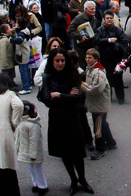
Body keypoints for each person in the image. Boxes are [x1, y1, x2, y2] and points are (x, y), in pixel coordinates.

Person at [38, 48, 94, 195]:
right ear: (52, 61)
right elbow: (48, 100)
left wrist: (59, 95)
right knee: (65, 153)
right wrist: (66, 96)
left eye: (62, 60)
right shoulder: (47, 77)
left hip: (72, 118)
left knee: (77, 152)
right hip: (57, 119)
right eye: (57, 61)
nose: (60, 63)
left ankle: (82, 179)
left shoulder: (73, 74)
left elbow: (78, 98)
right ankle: (73, 180)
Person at [81, 49, 117, 160]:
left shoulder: (98, 73)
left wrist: (83, 86)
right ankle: (111, 142)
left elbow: (96, 89)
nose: (87, 60)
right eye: (86, 57)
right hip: (97, 104)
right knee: (102, 124)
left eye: (90, 58)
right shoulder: (90, 70)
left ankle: (100, 149)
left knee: (98, 128)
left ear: (96, 59)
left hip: (99, 106)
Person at [15, 100, 48, 195]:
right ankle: (36, 183)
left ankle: (42, 186)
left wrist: (33, 154)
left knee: (37, 169)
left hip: (33, 153)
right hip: (27, 151)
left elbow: (34, 141)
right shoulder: (23, 121)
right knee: (31, 168)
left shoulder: (32, 125)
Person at [95, 10, 128, 104]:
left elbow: (124, 42)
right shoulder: (100, 30)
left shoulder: (118, 30)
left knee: (118, 79)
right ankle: (108, 97)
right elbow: (96, 40)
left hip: (116, 58)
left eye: (110, 18)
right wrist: (108, 40)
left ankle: (121, 98)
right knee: (107, 79)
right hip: (105, 58)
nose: (109, 20)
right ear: (104, 19)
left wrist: (124, 57)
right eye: (107, 18)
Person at [68, 1, 100, 66]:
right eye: (91, 9)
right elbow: (70, 30)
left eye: (94, 9)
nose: (93, 11)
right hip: (81, 48)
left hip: (90, 47)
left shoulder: (94, 19)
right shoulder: (78, 18)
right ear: (86, 9)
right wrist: (80, 37)